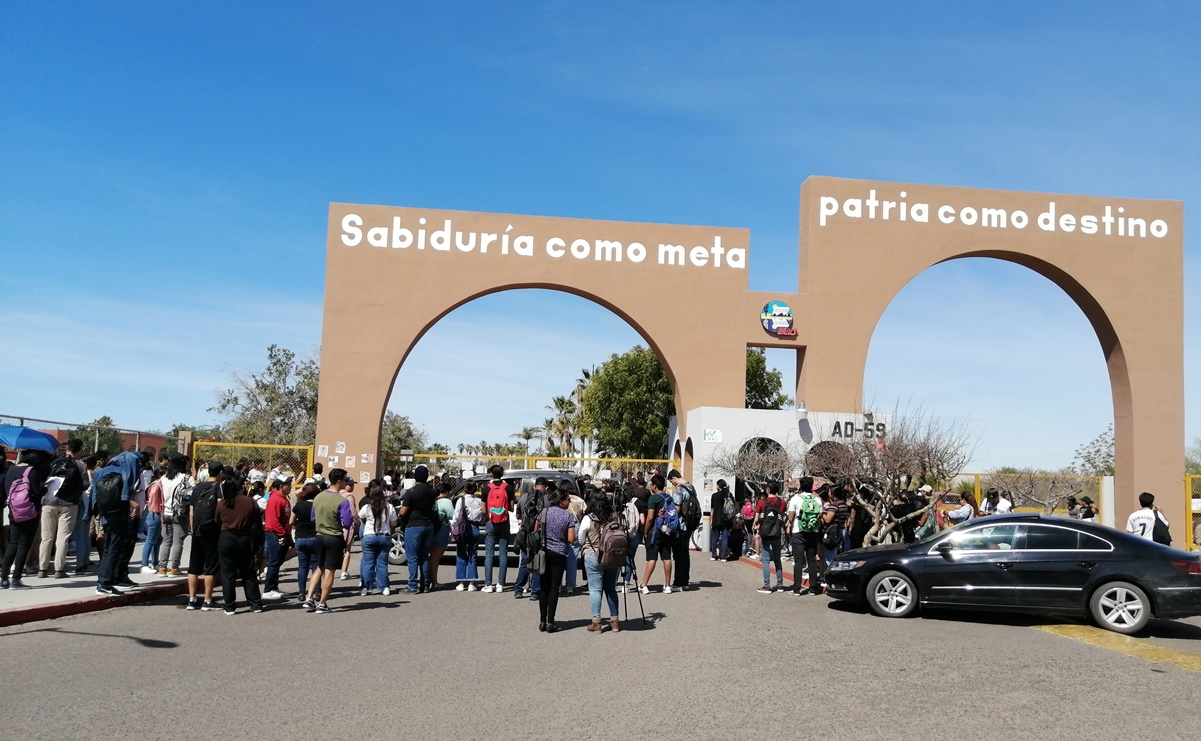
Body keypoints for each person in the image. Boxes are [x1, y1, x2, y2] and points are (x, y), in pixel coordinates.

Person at [91, 451, 144, 596]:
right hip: (119, 515)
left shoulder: (103, 472)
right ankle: (105, 584)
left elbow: (93, 495)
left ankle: (102, 581)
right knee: (114, 549)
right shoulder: (126, 472)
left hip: (105, 515)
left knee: (108, 549)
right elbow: (125, 495)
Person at [2, 450, 51, 589]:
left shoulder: (10, 470)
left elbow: (6, 489)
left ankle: (4, 579)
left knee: (13, 544)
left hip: (14, 511)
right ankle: (16, 579)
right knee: (24, 545)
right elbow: (36, 492)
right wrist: (45, 488)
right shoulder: (32, 471)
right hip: (30, 512)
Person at [304, 468, 351, 613]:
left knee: (319, 567)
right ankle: (322, 603)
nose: (346, 481)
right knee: (330, 570)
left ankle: (309, 598)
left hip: (319, 535)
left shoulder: (318, 497)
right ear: (339, 481)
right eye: (345, 479)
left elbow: (313, 517)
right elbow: (347, 522)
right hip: (333, 536)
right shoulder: (342, 501)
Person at [215, 477, 264, 615]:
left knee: (227, 573)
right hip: (245, 538)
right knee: (248, 571)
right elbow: (257, 521)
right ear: (240, 488)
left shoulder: (222, 504)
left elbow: (217, 522)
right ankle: (255, 604)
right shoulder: (250, 502)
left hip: (226, 538)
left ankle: (230, 606)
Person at [40, 440, 86, 579]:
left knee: (46, 537)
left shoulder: (54, 461)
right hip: (69, 504)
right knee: (63, 537)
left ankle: (42, 569)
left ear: (66, 448)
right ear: (79, 450)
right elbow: (84, 484)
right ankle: (59, 570)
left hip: (49, 501)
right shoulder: (79, 464)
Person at [579, 491, 620, 633]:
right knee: (610, 589)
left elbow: (580, 538)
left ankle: (596, 623)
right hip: (612, 556)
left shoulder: (588, 518)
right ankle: (614, 622)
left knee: (595, 589)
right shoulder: (613, 517)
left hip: (593, 555)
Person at [536, 487, 576, 633]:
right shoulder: (568, 517)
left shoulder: (544, 512)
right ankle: (551, 622)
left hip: (544, 552)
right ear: (561, 501)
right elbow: (571, 539)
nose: (569, 502)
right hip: (559, 553)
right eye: (568, 500)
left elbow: (536, 530)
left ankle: (542, 620)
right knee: (554, 588)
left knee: (543, 586)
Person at [185, 462, 223, 611]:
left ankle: (192, 599)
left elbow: (191, 511)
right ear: (219, 472)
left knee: (194, 566)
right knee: (211, 566)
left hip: (197, 530)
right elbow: (220, 507)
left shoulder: (197, 487)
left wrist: (193, 529)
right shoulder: (219, 487)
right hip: (212, 530)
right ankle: (208, 600)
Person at [399, 464, 436, 593]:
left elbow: (403, 512)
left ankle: (412, 585)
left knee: (412, 557)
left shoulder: (412, 492)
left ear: (416, 477)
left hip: (414, 526)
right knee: (424, 556)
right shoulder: (432, 492)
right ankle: (425, 583)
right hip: (428, 525)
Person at [157, 453, 194, 576]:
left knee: (166, 541)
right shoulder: (187, 478)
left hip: (165, 513)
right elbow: (192, 495)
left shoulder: (163, 478)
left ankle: (162, 568)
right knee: (178, 541)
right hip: (179, 513)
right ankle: (174, 568)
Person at [358, 483, 397, 596]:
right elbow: (394, 522)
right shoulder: (389, 507)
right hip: (384, 536)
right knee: (382, 563)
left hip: (369, 535)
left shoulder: (367, 507)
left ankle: (366, 588)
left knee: (368, 563)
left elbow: (360, 517)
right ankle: (384, 587)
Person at [787, 476, 824, 595]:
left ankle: (797, 588)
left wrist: (790, 525)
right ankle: (813, 588)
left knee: (798, 561)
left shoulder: (795, 499)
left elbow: (790, 517)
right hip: (813, 531)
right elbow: (820, 516)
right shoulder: (817, 500)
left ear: (801, 486)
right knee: (812, 560)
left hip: (798, 531)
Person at [640, 474, 676, 594]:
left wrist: (645, 531)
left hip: (655, 531)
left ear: (655, 486)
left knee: (652, 558)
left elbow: (650, 517)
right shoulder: (668, 497)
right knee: (666, 557)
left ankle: (644, 585)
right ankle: (667, 585)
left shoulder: (653, 498)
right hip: (667, 531)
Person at [481, 465, 514, 593]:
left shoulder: (486, 488)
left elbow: (484, 510)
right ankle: (501, 584)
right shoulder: (509, 488)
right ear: (502, 474)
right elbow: (511, 508)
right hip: (504, 522)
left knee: (489, 554)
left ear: (491, 474)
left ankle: (488, 584)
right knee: (503, 554)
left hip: (490, 522)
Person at [512, 478, 545, 600]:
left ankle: (518, 590)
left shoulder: (524, 498)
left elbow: (518, 515)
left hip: (525, 533)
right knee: (536, 562)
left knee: (524, 562)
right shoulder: (547, 499)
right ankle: (535, 593)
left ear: (535, 486)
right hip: (539, 534)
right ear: (545, 487)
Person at [261, 476, 293, 600]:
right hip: (274, 534)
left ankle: (274, 587)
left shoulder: (283, 499)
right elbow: (273, 520)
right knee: (273, 562)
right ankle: (268, 589)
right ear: (281, 486)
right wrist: (282, 534)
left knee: (278, 562)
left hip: (283, 534)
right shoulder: (275, 499)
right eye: (288, 485)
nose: (290, 487)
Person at [754, 482, 787, 593]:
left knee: (766, 560)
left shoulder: (762, 502)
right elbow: (782, 515)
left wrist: (756, 525)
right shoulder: (781, 502)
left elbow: (757, 517)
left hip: (765, 533)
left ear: (768, 489)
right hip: (777, 533)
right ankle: (780, 584)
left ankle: (767, 586)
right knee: (777, 559)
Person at [667, 469, 697, 591]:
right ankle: (685, 581)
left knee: (678, 555)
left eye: (671, 481)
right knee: (685, 554)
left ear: (674, 478)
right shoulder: (691, 487)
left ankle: (678, 582)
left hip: (680, 526)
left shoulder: (679, 489)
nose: (672, 484)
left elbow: (676, 509)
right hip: (689, 524)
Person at [291, 482, 319, 599]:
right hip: (314, 536)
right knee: (315, 566)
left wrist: (298, 524)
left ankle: (302, 592)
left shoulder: (299, 505)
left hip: (300, 537)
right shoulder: (318, 505)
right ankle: (317, 591)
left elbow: (291, 522)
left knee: (302, 566)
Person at [454, 481, 484, 591]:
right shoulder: (479, 501)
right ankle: (472, 582)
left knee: (461, 554)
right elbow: (481, 516)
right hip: (474, 527)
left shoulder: (460, 500)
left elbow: (456, 516)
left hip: (462, 529)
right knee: (473, 555)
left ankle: (460, 582)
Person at [137, 466, 164, 575]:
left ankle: (155, 562)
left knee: (157, 541)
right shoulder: (156, 485)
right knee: (150, 540)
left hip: (157, 514)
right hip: (154, 514)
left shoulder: (159, 485)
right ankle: (144, 564)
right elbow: (153, 500)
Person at [709, 479, 732, 561]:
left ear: (718, 486)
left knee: (715, 537)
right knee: (725, 537)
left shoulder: (714, 496)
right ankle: (723, 556)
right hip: (726, 519)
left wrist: (711, 520)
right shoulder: (729, 495)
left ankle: (714, 555)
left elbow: (712, 509)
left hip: (717, 519)